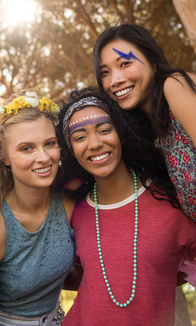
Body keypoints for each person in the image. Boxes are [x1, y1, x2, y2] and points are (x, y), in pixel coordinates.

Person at [56, 87, 196, 326]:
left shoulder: (171, 202)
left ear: (121, 132)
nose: (95, 143)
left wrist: (156, 276)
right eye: (79, 137)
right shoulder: (74, 210)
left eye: (104, 130)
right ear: (70, 149)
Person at [0, 96, 75, 326]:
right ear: (5, 158)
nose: (43, 157)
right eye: (26, 148)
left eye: (49, 143)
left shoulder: (69, 204)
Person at [93, 23, 196, 221]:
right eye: (105, 72)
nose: (115, 80)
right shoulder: (146, 131)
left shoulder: (175, 85)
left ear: (153, 62)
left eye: (125, 64)